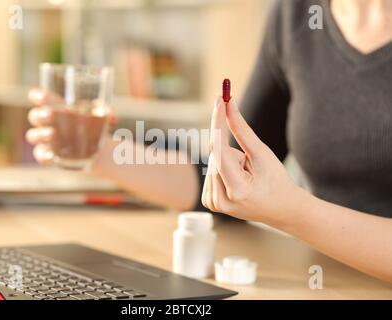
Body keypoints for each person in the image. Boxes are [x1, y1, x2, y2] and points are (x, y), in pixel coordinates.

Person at [26, 0, 392, 283]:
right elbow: (224, 176)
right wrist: (100, 151)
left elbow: (286, 207)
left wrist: (295, 213)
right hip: (328, 281)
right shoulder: (297, 15)